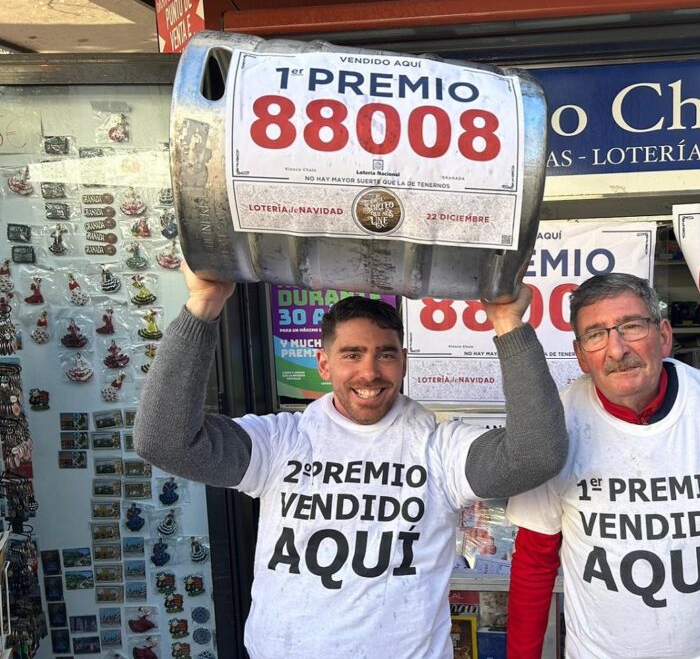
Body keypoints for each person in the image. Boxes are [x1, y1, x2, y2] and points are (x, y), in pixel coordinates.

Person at [134, 263, 567, 659]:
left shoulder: (438, 446)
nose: (370, 372)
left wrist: (509, 324)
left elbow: (536, 454)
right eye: (352, 354)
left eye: (386, 354)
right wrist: (203, 307)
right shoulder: (280, 441)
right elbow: (165, 442)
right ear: (323, 363)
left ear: (403, 363)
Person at [506, 273, 700, 659]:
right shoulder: (558, 420)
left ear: (664, 335)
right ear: (580, 355)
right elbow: (534, 563)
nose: (616, 349)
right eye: (596, 334)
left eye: (631, 326)